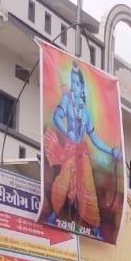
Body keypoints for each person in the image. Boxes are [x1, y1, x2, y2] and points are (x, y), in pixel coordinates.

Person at [42, 63, 123, 239]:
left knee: (88, 188)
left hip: (82, 153)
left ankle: (94, 227)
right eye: (72, 83)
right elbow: (56, 118)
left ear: (82, 87)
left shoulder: (86, 113)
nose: (74, 87)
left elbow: (94, 139)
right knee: (63, 181)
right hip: (70, 151)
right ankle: (54, 214)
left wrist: (111, 151)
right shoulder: (67, 100)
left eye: (77, 84)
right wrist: (67, 131)